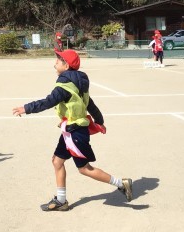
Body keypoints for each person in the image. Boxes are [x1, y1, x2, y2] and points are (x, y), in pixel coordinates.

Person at [12, 49, 133, 211]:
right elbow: (91, 105)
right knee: (57, 161)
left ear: (66, 65)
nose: (54, 63)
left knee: (84, 169)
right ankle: (61, 200)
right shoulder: (79, 84)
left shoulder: (64, 86)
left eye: (58, 60)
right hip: (70, 131)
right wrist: (100, 121)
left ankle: (121, 183)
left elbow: (48, 101)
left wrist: (26, 108)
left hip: (76, 132)